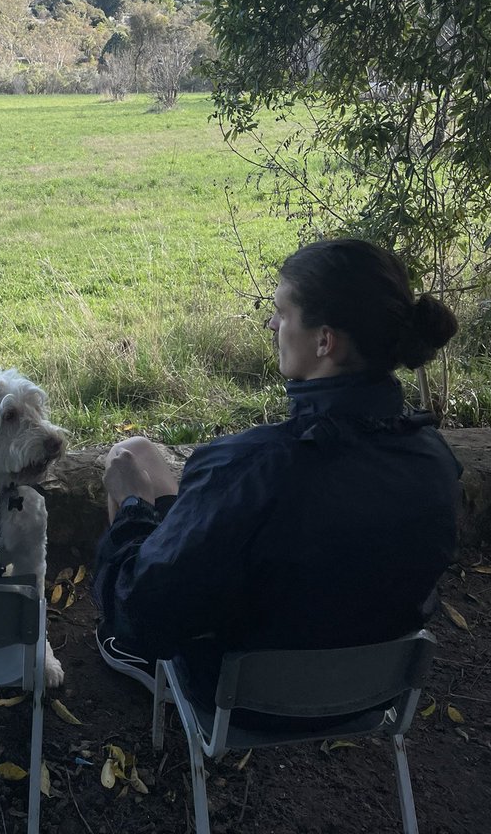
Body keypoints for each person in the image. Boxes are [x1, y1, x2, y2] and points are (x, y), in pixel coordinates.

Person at [93, 238, 462, 712]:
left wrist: (129, 510)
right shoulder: (435, 460)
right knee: (141, 451)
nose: (271, 323)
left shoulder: (249, 466)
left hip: (242, 698)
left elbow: (139, 608)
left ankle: (145, 666)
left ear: (324, 341)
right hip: (374, 692)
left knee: (129, 466)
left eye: (281, 312)